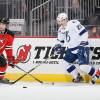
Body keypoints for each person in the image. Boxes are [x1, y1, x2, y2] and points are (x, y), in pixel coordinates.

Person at [53, 13, 100, 84]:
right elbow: (60, 41)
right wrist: (57, 46)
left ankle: (96, 74)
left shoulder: (73, 23)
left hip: (81, 47)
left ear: (65, 19)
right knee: (65, 63)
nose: (60, 23)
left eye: (61, 21)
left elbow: (84, 33)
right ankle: (78, 77)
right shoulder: (60, 30)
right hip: (71, 49)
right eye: (59, 21)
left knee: (83, 67)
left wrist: (83, 42)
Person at [0, 18, 19, 83]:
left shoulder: (10, 35)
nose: (1, 26)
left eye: (3, 24)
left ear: (6, 25)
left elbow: (8, 48)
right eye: (0, 24)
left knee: (3, 64)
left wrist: (10, 59)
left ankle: (0, 78)